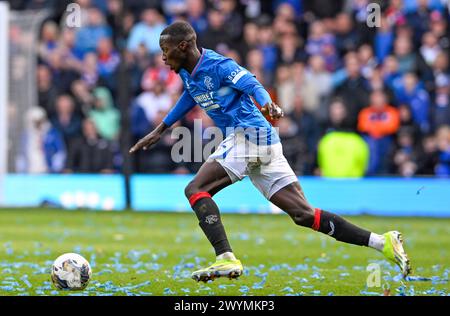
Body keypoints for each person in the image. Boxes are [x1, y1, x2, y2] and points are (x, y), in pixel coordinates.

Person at [129, 21, 411, 282]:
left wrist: (267, 104)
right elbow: (190, 95)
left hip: (249, 135)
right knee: (303, 214)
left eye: (165, 51)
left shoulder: (219, 65)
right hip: (263, 142)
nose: (163, 58)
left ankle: (225, 257)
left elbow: (251, 83)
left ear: (183, 47)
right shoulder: (189, 73)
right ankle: (382, 242)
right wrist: (160, 130)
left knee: (195, 190)